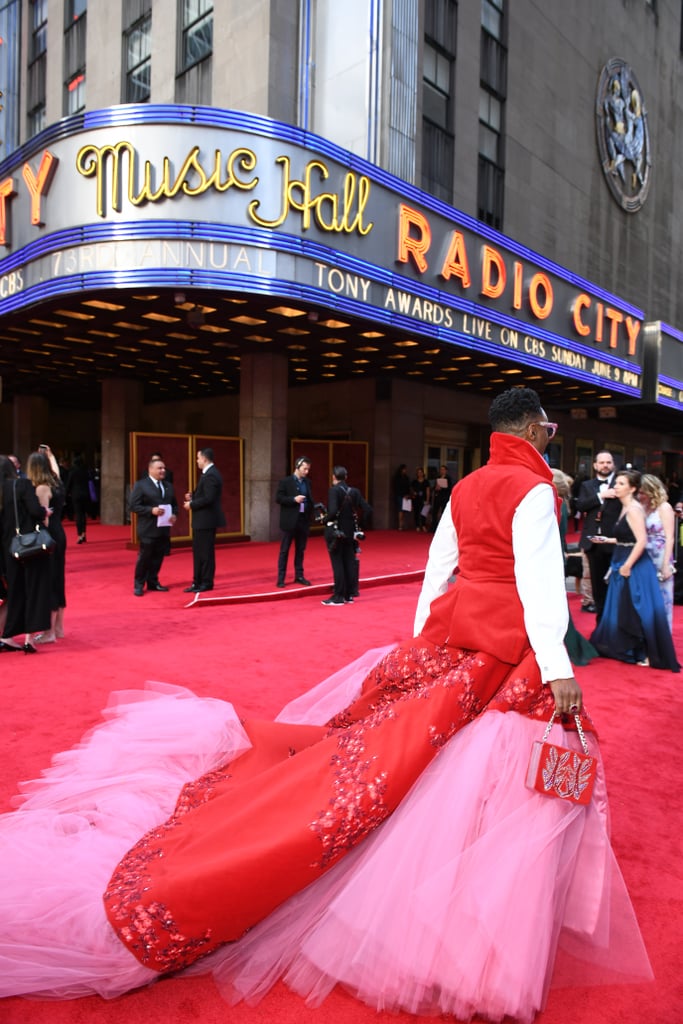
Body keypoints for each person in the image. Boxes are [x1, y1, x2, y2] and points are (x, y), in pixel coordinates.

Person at [0, 390, 653, 1019]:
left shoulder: (464, 486)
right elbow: (540, 582)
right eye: (549, 430)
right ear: (534, 428)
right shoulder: (533, 489)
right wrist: (560, 664)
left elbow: (436, 567)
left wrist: (425, 639)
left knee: (408, 766)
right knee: (499, 783)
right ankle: (475, 917)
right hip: (512, 652)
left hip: (454, 636)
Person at [589, 469, 679, 671]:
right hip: (626, 558)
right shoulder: (628, 508)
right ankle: (629, 647)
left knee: (641, 608)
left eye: (621, 484)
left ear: (632, 488)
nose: (616, 487)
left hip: (636, 563)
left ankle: (646, 652)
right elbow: (628, 538)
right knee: (628, 607)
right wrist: (607, 540)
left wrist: (628, 565)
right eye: (616, 483)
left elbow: (641, 541)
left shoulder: (635, 510)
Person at [0, 453, 52, 654]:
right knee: (35, 589)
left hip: (7, 549)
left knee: (16, 591)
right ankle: (30, 638)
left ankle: (7, 635)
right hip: (28, 546)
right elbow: (35, 511)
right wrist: (45, 512)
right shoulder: (21, 485)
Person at [552, 469, 597, 666]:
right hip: (554, 559)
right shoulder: (560, 504)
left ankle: (571, 646)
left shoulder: (556, 504)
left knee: (556, 608)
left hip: (550, 560)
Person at [27, 447, 67, 644]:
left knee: (50, 580)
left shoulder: (42, 488)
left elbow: (45, 521)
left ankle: (50, 631)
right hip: (60, 535)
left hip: (49, 537)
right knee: (58, 579)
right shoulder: (57, 483)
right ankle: (58, 627)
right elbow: (57, 472)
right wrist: (51, 457)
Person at [575, 450, 621, 618]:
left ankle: (614, 621)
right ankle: (601, 622)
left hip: (614, 541)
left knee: (616, 584)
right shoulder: (587, 486)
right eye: (601, 462)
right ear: (595, 465)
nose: (605, 465)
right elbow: (581, 505)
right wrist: (601, 496)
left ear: (613, 465)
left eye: (608, 462)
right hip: (593, 542)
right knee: (597, 584)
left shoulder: (620, 484)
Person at [129, 457, 177, 597]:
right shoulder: (141, 485)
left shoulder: (168, 485)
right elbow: (133, 506)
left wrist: (174, 514)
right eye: (159, 468)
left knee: (158, 557)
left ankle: (153, 581)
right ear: (150, 470)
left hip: (164, 528)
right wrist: (151, 510)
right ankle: (139, 584)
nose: (163, 471)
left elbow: (174, 504)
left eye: (164, 468)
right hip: (148, 528)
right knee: (145, 557)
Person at [183, 448, 225, 593]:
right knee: (199, 552)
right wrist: (193, 496)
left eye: (198, 458)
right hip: (202, 520)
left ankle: (205, 582)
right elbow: (205, 495)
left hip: (206, 520)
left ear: (204, 459)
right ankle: (198, 582)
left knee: (205, 553)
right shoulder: (208, 474)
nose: (197, 461)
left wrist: (192, 504)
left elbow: (209, 498)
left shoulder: (212, 475)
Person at [321, 466, 365, 606]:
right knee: (349, 562)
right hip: (351, 533)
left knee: (338, 563)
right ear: (346, 477)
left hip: (337, 532)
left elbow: (333, 511)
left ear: (334, 477)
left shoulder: (333, 491)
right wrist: (358, 526)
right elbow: (367, 509)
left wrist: (325, 519)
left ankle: (338, 596)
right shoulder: (355, 492)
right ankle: (349, 595)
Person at [638, 473, 676, 631]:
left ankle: (663, 633)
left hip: (660, 554)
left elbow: (670, 537)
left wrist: (666, 564)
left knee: (663, 596)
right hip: (644, 554)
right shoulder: (642, 507)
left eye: (642, 491)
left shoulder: (664, 507)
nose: (639, 494)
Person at [275, 456, 313, 587]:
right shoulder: (285, 482)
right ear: (297, 467)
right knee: (285, 550)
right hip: (290, 520)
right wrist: (293, 499)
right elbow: (279, 498)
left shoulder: (307, 482)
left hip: (303, 519)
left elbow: (310, 498)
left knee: (300, 549)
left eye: (308, 469)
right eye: (304, 469)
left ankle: (299, 575)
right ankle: (281, 578)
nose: (306, 472)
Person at [67, 453, 91, 544]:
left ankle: (79, 534)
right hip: (85, 494)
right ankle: (84, 533)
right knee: (83, 515)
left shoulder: (72, 472)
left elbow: (68, 484)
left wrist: (65, 495)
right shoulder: (85, 471)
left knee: (78, 515)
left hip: (76, 495)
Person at [430, 464, 453, 531]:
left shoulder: (448, 478)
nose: (442, 471)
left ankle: (443, 528)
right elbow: (434, 487)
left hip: (444, 497)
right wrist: (436, 488)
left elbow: (449, 488)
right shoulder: (438, 477)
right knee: (435, 512)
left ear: (446, 471)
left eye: (443, 470)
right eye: (441, 469)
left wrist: (442, 488)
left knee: (443, 512)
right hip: (438, 496)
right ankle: (434, 527)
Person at [410, 466, 430, 532]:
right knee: (416, 512)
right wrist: (413, 493)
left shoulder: (426, 482)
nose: (419, 474)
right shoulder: (414, 481)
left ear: (423, 473)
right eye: (418, 473)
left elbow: (428, 491)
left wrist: (427, 500)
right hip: (416, 499)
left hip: (423, 499)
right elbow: (411, 489)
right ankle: (417, 526)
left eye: (421, 472)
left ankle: (423, 525)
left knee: (423, 513)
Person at [392, 463, 411, 530]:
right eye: (404, 469)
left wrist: (407, 495)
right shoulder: (397, 478)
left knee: (405, 510)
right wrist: (403, 495)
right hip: (400, 496)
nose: (405, 471)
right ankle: (400, 525)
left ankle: (404, 524)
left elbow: (408, 487)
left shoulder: (406, 477)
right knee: (400, 510)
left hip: (406, 496)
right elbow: (396, 488)